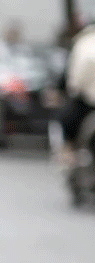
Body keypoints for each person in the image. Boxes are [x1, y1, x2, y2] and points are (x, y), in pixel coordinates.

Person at [57, 20, 95, 165]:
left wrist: (74, 88)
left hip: (87, 99)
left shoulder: (82, 44)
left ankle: (68, 152)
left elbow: (75, 76)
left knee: (66, 120)